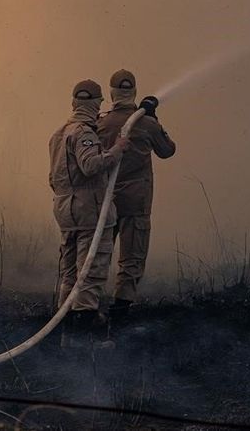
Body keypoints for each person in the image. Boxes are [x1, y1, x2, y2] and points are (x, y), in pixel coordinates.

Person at [49, 79, 129, 347]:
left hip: (65, 211)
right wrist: (117, 151)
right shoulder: (83, 133)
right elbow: (91, 165)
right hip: (89, 213)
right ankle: (83, 341)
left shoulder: (58, 134)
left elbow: (53, 178)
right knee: (90, 272)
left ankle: (66, 336)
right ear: (96, 104)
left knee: (70, 274)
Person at [97, 69, 176, 325]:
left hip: (105, 202)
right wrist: (153, 118)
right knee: (132, 255)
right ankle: (120, 311)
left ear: (111, 93)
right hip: (137, 202)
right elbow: (167, 151)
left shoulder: (100, 123)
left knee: (98, 252)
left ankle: (87, 305)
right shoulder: (147, 124)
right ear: (134, 92)